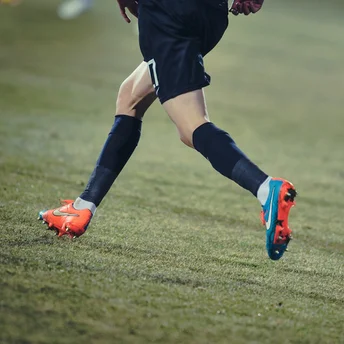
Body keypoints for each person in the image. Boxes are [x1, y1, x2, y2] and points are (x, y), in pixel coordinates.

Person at [38, 0, 297, 261]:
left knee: (192, 125)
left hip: (169, 12)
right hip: (211, 15)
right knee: (130, 97)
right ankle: (83, 207)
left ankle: (266, 188)